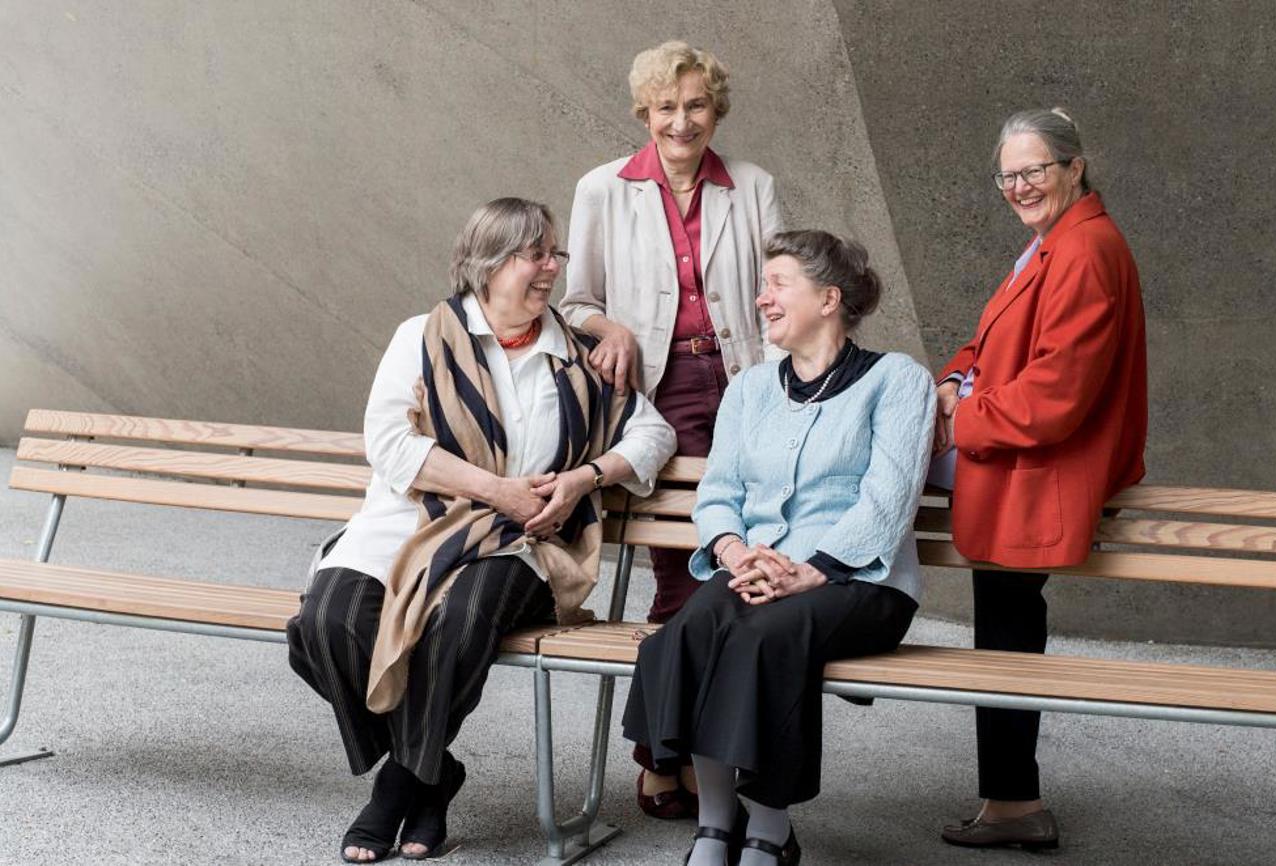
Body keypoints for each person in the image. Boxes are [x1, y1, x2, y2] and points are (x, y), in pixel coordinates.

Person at [287, 198, 676, 863]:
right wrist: (497, 490)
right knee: (325, 625)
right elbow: (387, 442)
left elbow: (653, 431)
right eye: (536, 255)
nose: (552, 268)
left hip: (521, 540)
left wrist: (585, 479)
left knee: (461, 621)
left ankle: (398, 788)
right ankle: (435, 773)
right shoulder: (423, 335)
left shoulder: (577, 351)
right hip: (407, 523)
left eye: (556, 253)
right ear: (489, 265)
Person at [623, 230, 936, 866]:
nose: (762, 299)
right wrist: (736, 553)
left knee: (760, 638)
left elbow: (888, 499)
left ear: (828, 298)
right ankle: (714, 827)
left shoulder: (897, 380)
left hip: (860, 583)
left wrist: (811, 571)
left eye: (777, 285)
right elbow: (717, 493)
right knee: (690, 629)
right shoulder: (751, 389)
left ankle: (768, 830)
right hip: (756, 573)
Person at [561, 38, 783, 819]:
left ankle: (706, 751)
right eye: (666, 108)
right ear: (643, 114)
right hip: (660, 395)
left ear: (715, 109)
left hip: (749, 389)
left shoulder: (751, 186)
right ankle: (665, 751)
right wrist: (608, 327)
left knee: (745, 569)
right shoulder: (603, 189)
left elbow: (781, 297)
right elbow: (574, 300)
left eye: (695, 105)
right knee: (682, 573)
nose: (681, 122)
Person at [932, 109, 1147, 850]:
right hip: (1013, 459)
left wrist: (958, 419)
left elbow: (1055, 396)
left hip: (1037, 469)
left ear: (1074, 167)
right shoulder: (1050, 245)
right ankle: (1014, 802)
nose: (1019, 185)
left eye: (1034, 170)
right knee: (1007, 625)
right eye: (1009, 174)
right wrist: (957, 377)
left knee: (879, 462)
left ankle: (856, 617)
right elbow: (984, 341)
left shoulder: (1085, 251)